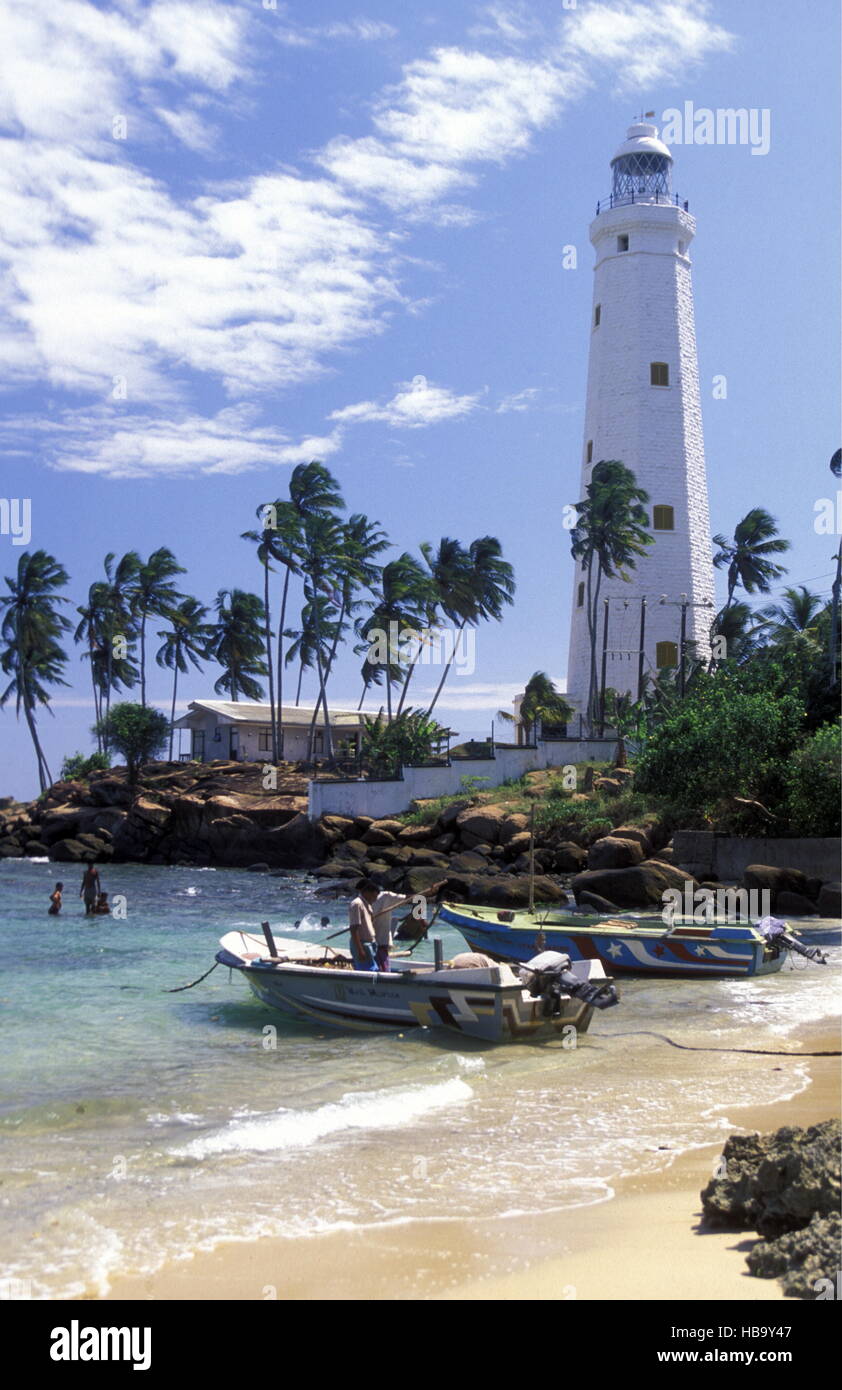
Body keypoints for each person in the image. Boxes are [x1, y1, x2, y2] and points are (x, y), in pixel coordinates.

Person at [371, 880, 447, 971]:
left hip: (404, 933)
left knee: (395, 942)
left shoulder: (418, 915)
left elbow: (423, 925)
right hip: (405, 933)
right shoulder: (417, 915)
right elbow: (423, 925)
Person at [348, 880, 379, 971]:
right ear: (367, 892)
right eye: (374, 896)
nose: (375, 899)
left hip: (370, 943)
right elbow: (354, 929)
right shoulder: (357, 904)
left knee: (373, 969)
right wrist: (360, 950)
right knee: (367, 971)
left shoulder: (368, 905)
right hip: (362, 944)